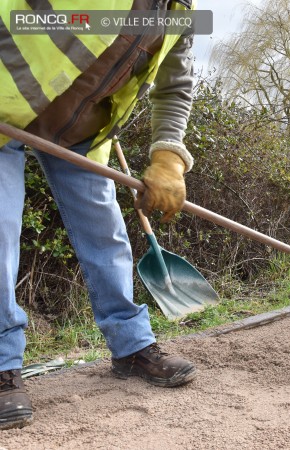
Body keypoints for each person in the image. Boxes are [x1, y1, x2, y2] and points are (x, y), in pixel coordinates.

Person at [0, 0, 199, 430]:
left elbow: (174, 86)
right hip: (4, 106)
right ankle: (2, 364)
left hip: (79, 132)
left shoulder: (182, 11)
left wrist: (168, 157)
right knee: (0, 232)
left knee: (106, 235)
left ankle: (131, 347)